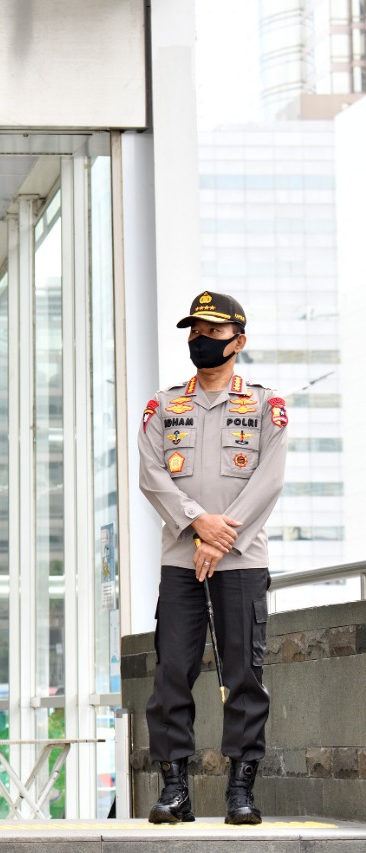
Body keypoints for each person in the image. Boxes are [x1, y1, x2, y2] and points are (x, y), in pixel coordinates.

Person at [138, 290, 288, 826]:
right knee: (172, 670)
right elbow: (151, 475)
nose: (199, 341)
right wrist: (196, 525)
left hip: (242, 560)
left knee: (244, 671)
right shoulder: (165, 404)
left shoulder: (265, 406)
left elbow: (268, 480)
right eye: (194, 332)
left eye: (212, 333)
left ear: (238, 342)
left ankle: (241, 790)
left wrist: (220, 538)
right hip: (181, 557)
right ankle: (175, 787)